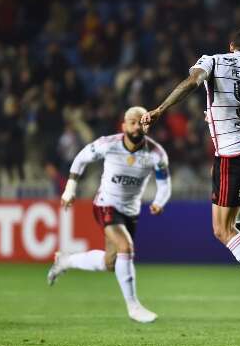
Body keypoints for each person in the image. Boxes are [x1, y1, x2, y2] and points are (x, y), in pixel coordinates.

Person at [141, 28, 240, 323]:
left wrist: (160, 109)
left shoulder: (213, 60)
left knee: (221, 231)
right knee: (227, 203)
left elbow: (192, 82)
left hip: (233, 152)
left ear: (230, 45)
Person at [47, 107, 171, 323]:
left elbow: (164, 183)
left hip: (130, 212)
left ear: (147, 125)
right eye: (131, 122)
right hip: (106, 204)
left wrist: (159, 202)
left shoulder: (156, 154)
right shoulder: (108, 144)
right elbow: (81, 158)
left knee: (110, 262)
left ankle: (66, 261)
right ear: (123, 126)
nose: (136, 126)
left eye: (140, 122)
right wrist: (70, 189)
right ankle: (133, 307)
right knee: (126, 247)